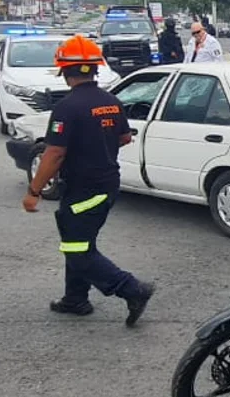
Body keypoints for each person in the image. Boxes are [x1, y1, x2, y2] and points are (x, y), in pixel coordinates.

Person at [22, 35, 155, 325]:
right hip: (106, 185)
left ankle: (132, 289)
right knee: (79, 243)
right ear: (95, 69)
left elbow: (54, 153)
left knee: (78, 250)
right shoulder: (111, 101)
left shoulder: (67, 108)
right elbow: (123, 137)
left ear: (64, 71)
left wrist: (34, 190)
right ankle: (75, 299)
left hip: (84, 190)